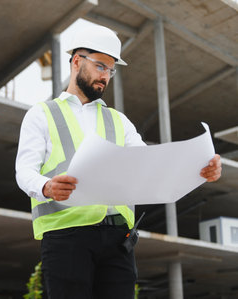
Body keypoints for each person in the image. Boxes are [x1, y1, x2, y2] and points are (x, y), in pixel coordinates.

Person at [15, 24, 222, 299]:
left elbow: (150, 165)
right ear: (77, 61)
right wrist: (46, 187)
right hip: (66, 237)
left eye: (111, 70)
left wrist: (200, 168)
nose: (106, 76)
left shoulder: (119, 121)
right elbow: (23, 170)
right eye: (101, 66)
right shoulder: (41, 114)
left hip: (117, 241)